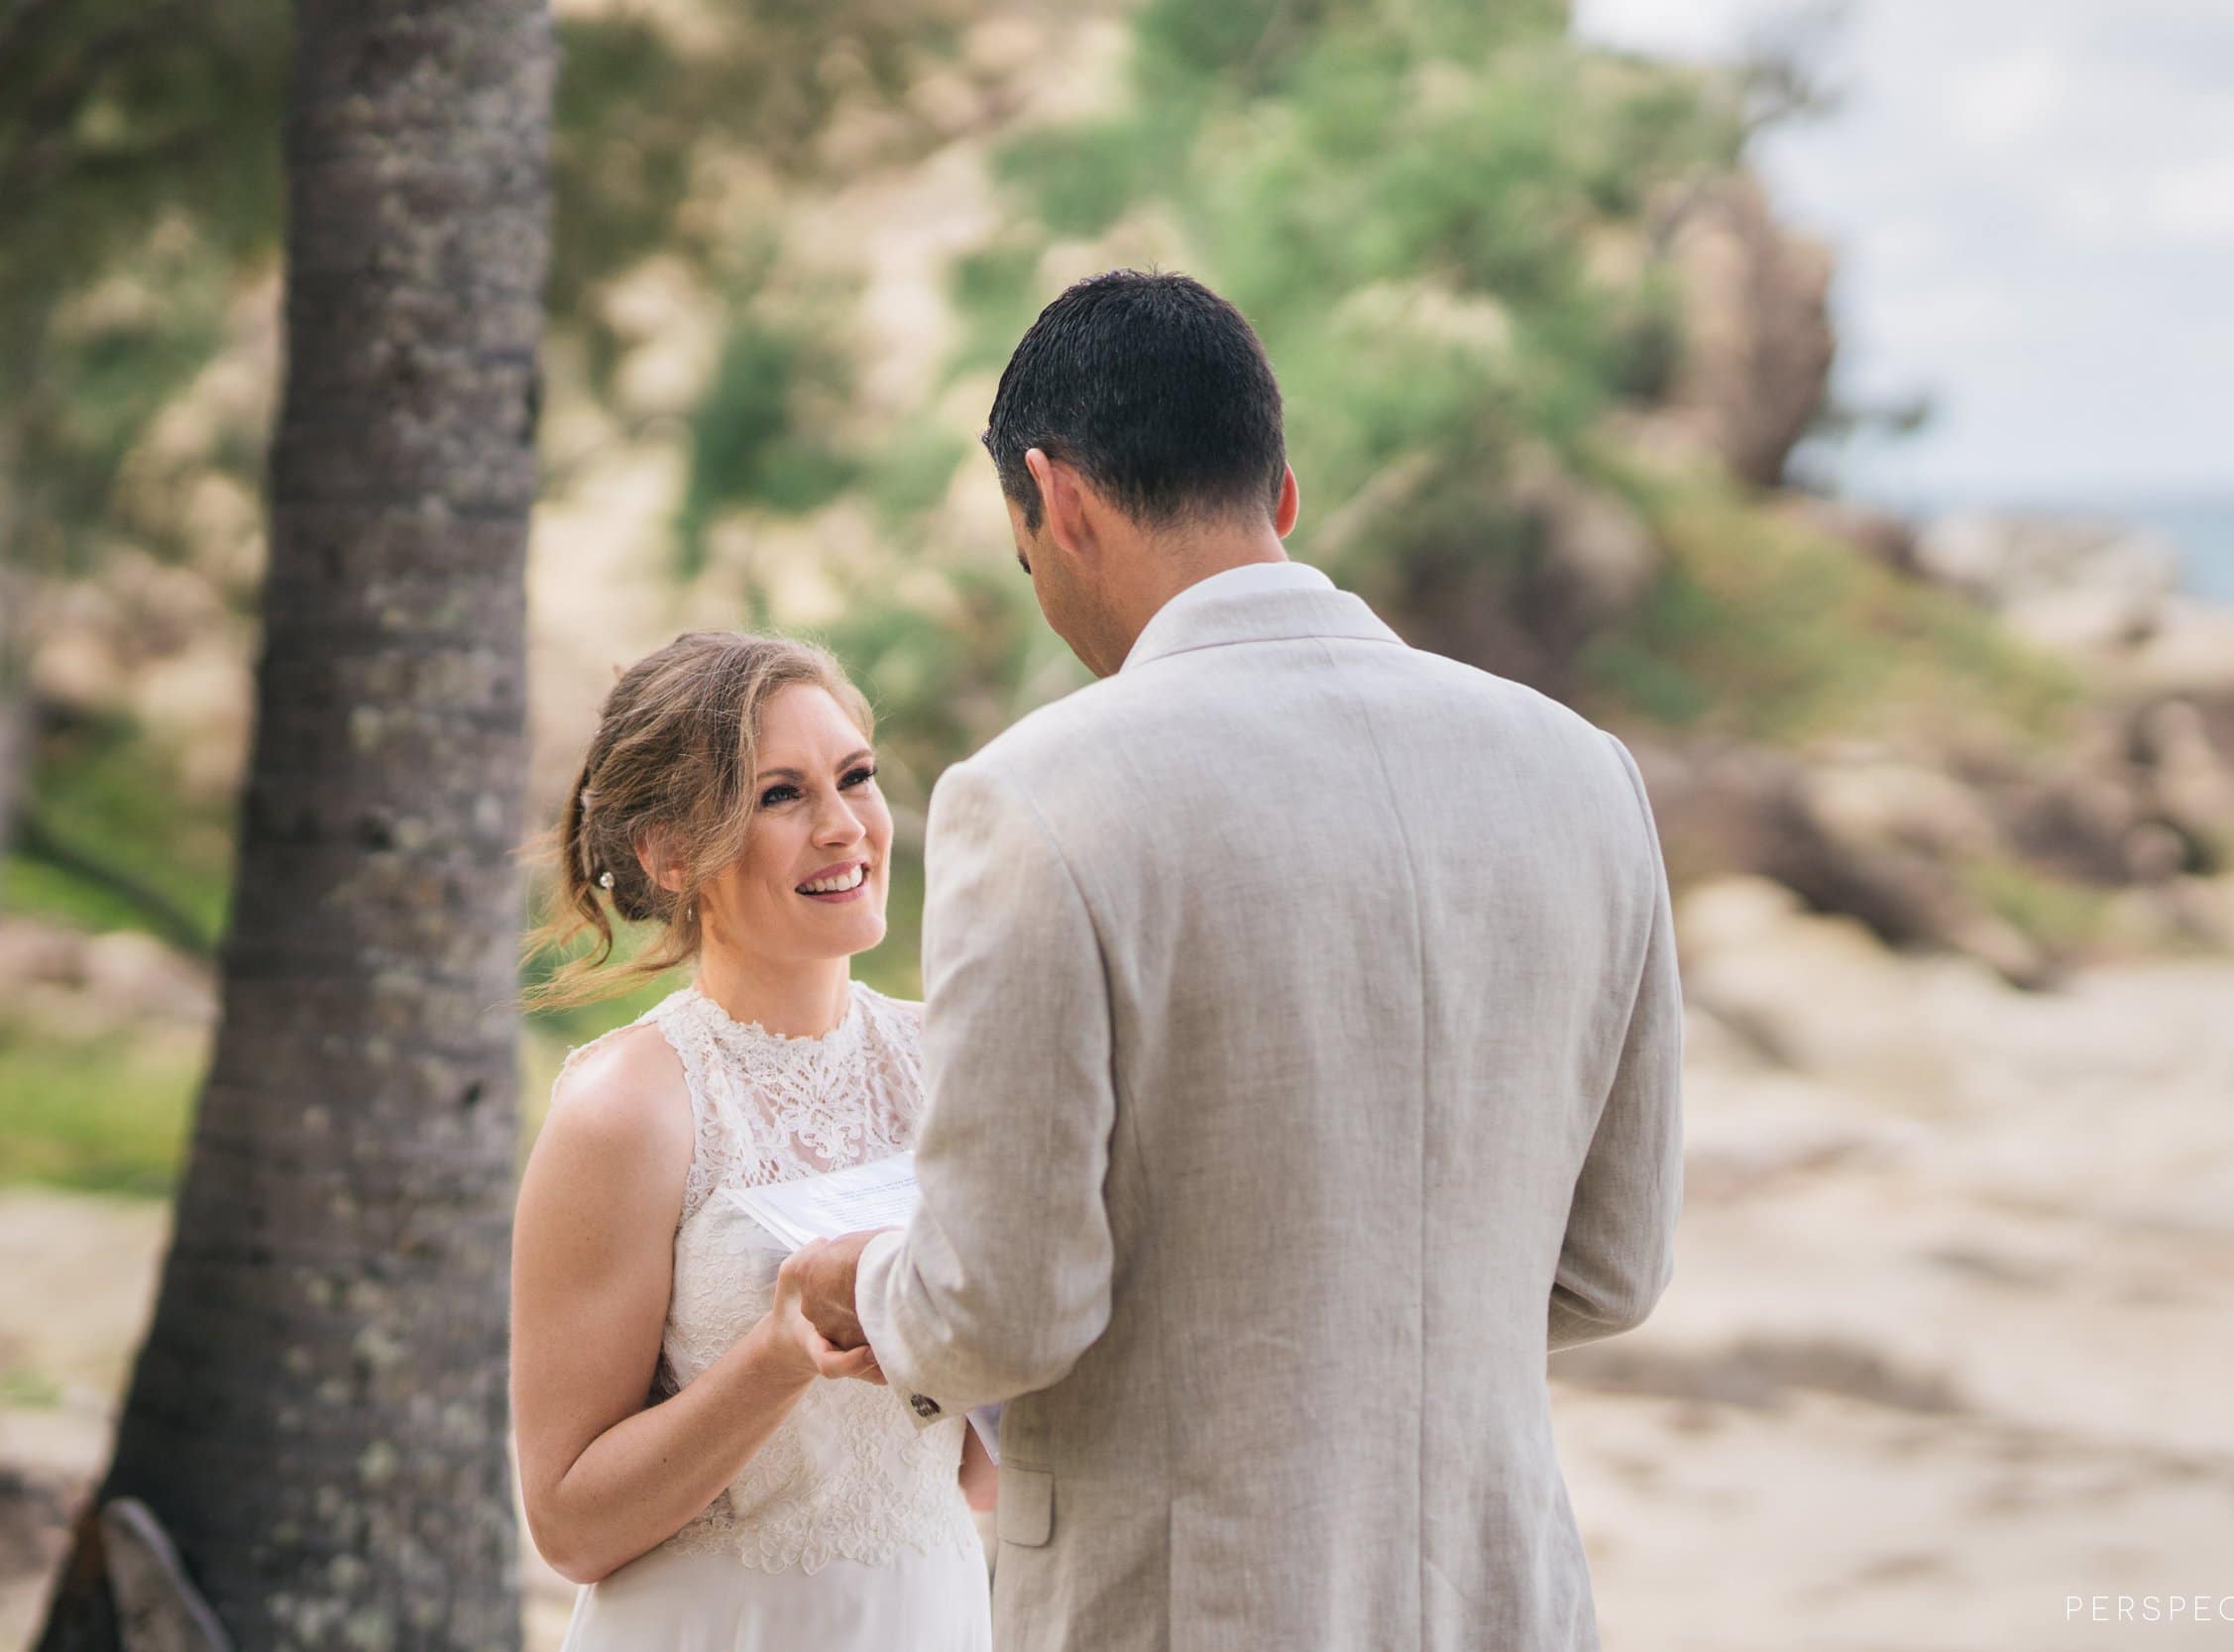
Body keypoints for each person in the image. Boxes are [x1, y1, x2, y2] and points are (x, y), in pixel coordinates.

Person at [783, 269, 1685, 1651]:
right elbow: (1612, 1267)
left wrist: (871, 1287)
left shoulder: (1037, 795)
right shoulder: (1583, 772)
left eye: (1027, 555)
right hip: (1506, 1598)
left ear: (1056, 500)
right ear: (1285, 495)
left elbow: (1006, 1311)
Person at [508, 632, 996, 1651]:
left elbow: (980, 1464)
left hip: (928, 1613)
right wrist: (778, 1354)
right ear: (670, 852)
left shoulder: (957, 1061)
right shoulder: (628, 1111)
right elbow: (568, 1522)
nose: (842, 826)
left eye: (853, 776)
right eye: (780, 795)